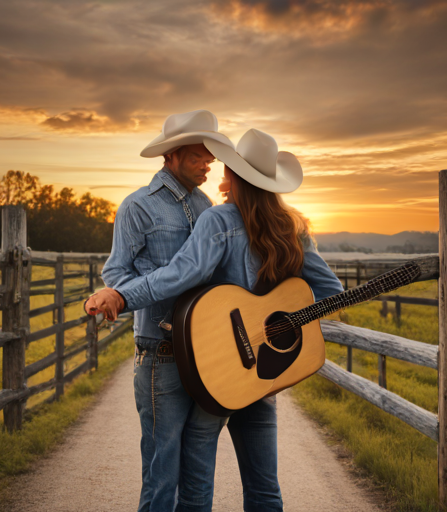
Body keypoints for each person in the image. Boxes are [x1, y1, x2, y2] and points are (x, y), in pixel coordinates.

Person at [87, 128, 344, 512]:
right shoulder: (292, 228)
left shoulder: (216, 218)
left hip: (221, 368)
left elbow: (180, 275)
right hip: (264, 369)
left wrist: (123, 295)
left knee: (194, 481)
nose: (217, 172)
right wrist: (281, 332)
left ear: (236, 177)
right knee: (265, 489)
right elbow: (331, 294)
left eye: (225, 167)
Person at [99, 109, 236, 512]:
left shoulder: (207, 204)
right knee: (161, 475)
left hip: (207, 353)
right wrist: (161, 285)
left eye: (209, 156)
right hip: (161, 353)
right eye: (198, 155)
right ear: (172, 155)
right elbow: (116, 273)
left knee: (199, 473)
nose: (208, 163)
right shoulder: (138, 207)